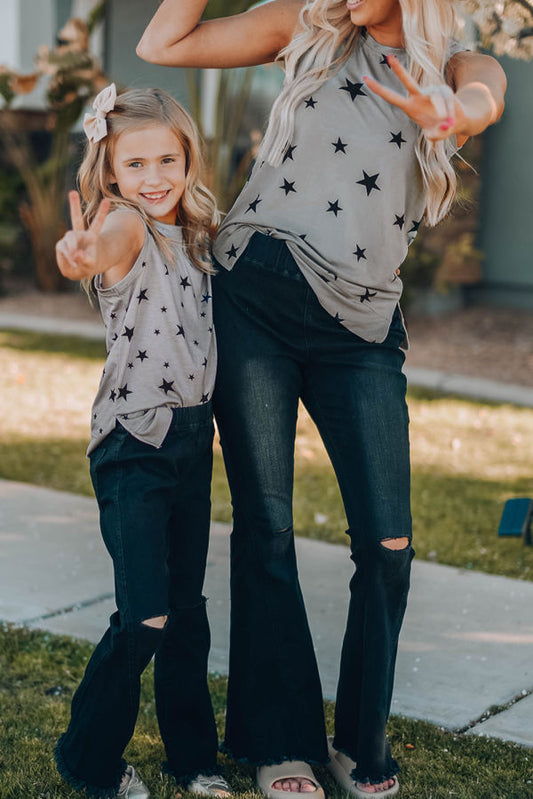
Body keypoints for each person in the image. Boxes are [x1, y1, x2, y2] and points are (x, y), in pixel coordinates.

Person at [138, 2, 506, 797]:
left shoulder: (454, 64)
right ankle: (281, 744)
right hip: (254, 297)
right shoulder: (302, 28)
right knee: (265, 528)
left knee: (387, 545)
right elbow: (159, 41)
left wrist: (451, 110)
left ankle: (358, 742)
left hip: (363, 328)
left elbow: (482, 99)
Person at [54, 83, 231, 799]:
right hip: (133, 442)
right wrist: (85, 250)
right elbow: (109, 244)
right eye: (135, 165)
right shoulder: (124, 225)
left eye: (167, 160)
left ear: (188, 160)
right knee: (147, 614)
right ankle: (88, 757)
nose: (153, 178)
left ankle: (195, 760)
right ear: (111, 174)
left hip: (191, 441)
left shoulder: (198, 236)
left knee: (184, 613)